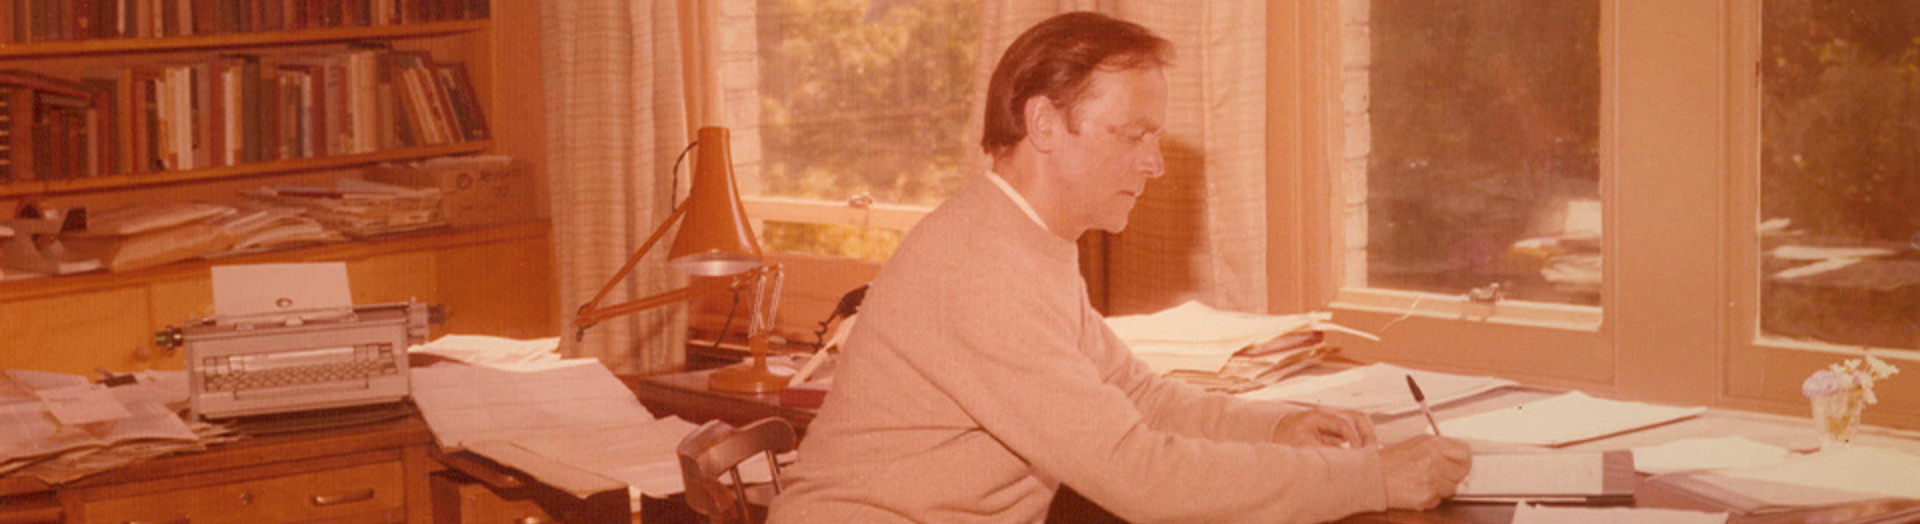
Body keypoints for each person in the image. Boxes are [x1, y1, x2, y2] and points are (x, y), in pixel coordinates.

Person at [767, 11, 1470, 524]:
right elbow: (1138, 477)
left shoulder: (1025, 240)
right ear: (1044, 125)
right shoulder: (981, 266)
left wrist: (1277, 427)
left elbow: (1142, 397)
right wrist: (1368, 479)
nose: (1154, 163)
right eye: (1132, 135)